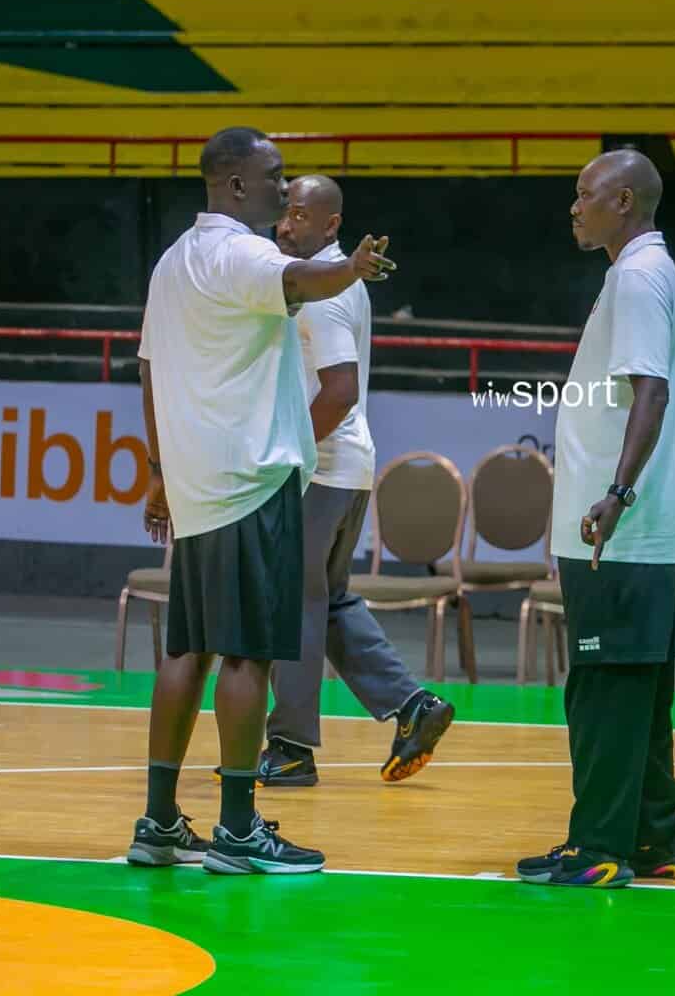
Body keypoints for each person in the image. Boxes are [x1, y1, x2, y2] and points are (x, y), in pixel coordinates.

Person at [127, 129, 396, 876]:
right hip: (251, 483)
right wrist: (352, 268)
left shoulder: (171, 263)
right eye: (274, 177)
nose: (284, 193)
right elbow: (304, 283)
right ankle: (240, 830)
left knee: (187, 650)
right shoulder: (243, 255)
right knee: (247, 655)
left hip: (196, 485)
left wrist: (160, 469)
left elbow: (148, 374)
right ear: (236, 185)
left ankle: (157, 823)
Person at [515, 149, 675, 890]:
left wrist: (617, 494)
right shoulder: (645, 272)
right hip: (639, 519)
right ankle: (660, 835)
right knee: (637, 682)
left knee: (603, 684)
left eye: (585, 194)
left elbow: (648, 392)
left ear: (623, 201)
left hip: (624, 520)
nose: (574, 206)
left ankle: (597, 846)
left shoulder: (636, 277)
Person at [261, 174, 455, 787]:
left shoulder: (324, 290)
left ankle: (290, 748)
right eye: (283, 214)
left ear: (332, 224)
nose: (285, 225)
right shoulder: (323, 280)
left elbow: (339, 390)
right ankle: (412, 706)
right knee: (328, 597)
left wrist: (288, 454)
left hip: (322, 466)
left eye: (298, 215)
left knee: (293, 602)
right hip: (345, 468)